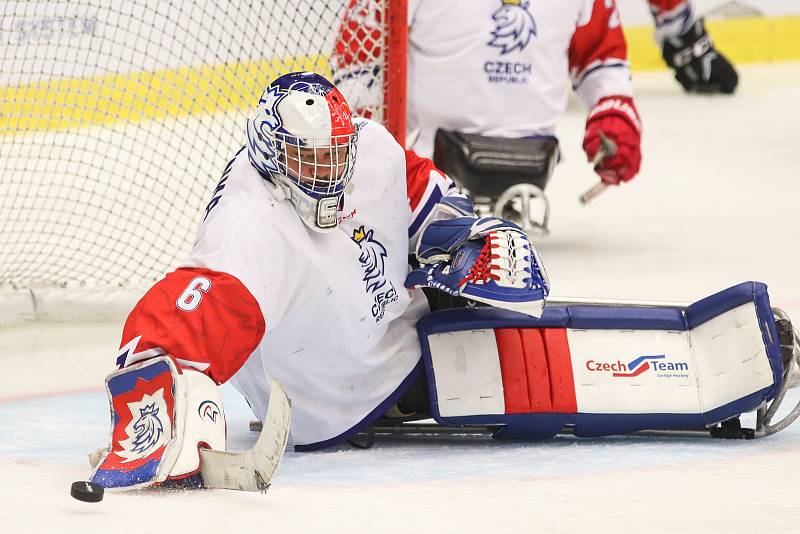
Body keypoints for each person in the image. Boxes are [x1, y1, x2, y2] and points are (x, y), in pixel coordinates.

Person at [87, 71, 549, 490]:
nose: (327, 171)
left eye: (335, 154)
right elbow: (190, 310)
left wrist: (462, 231)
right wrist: (152, 396)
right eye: (309, 158)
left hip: (399, 332)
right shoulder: (250, 225)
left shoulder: (367, 146)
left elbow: (415, 186)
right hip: (331, 404)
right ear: (271, 151)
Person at [648, 0, 739, 94]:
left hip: (681, 35)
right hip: (683, 34)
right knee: (728, 80)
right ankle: (680, 39)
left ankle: (679, 40)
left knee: (729, 80)